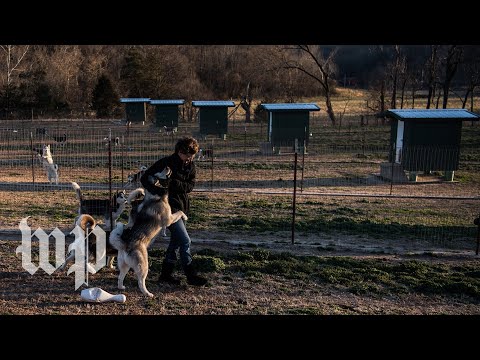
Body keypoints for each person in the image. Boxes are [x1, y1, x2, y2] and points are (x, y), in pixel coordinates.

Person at [140, 136, 208, 286]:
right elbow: (145, 178)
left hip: (182, 206)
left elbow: (190, 187)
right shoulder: (166, 163)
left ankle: (165, 275)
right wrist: (158, 191)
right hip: (166, 208)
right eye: (187, 155)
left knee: (176, 242)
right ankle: (191, 275)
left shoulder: (191, 166)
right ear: (179, 151)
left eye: (192, 156)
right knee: (185, 241)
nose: (189, 159)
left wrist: (172, 183)